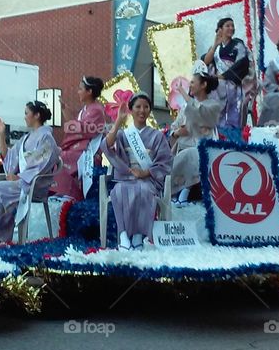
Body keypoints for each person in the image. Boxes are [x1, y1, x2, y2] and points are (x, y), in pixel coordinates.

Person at [0, 101, 59, 244]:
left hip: (33, 184)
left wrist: (19, 177)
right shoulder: (25, 139)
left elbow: (41, 164)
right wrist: (1, 134)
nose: (24, 117)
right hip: (22, 182)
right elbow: (9, 158)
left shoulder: (46, 138)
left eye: (26, 113)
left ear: (36, 115)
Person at [101, 93, 173, 250]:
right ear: (131, 110)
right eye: (138, 107)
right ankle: (123, 235)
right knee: (119, 191)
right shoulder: (123, 134)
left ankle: (139, 235)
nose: (142, 110)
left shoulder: (157, 136)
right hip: (126, 178)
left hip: (148, 179)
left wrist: (145, 173)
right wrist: (119, 121)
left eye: (146, 107)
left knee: (144, 190)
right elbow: (106, 145)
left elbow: (165, 161)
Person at [53, 76, 109, 201]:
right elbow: (76, 125)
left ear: (89, 91)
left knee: (61, 158)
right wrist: (64, 109)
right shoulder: (86, 109)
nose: (78, 91)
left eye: (80, 89)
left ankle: (68, 193)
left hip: (89, 151)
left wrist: (74, 126)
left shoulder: (96, 109)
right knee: (59, 157)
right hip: (81, 149)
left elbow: (86, 130)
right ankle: (66, 192)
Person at [170, 70, 222, 204]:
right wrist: (176, 133)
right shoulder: (185, 107)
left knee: (189, 155)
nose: (190, 85)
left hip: (202, 149)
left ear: (203, 85)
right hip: (181, 147)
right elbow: (175, 127)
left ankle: (185, 191)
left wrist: (182, 92)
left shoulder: (212, 105)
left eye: (193, 82)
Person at [202, 18, 251, 141]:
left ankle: (232, 140)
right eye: (227, 26)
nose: (231, 28)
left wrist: (224, 76)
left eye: (232, 26)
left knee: (232, 118)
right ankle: (216, 138)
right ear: (220, 29)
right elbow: (205, 62)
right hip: (218, 87)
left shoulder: (238, 45)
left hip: (232, 85)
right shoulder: (216, 48)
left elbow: (242, 63)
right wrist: (215, 45)